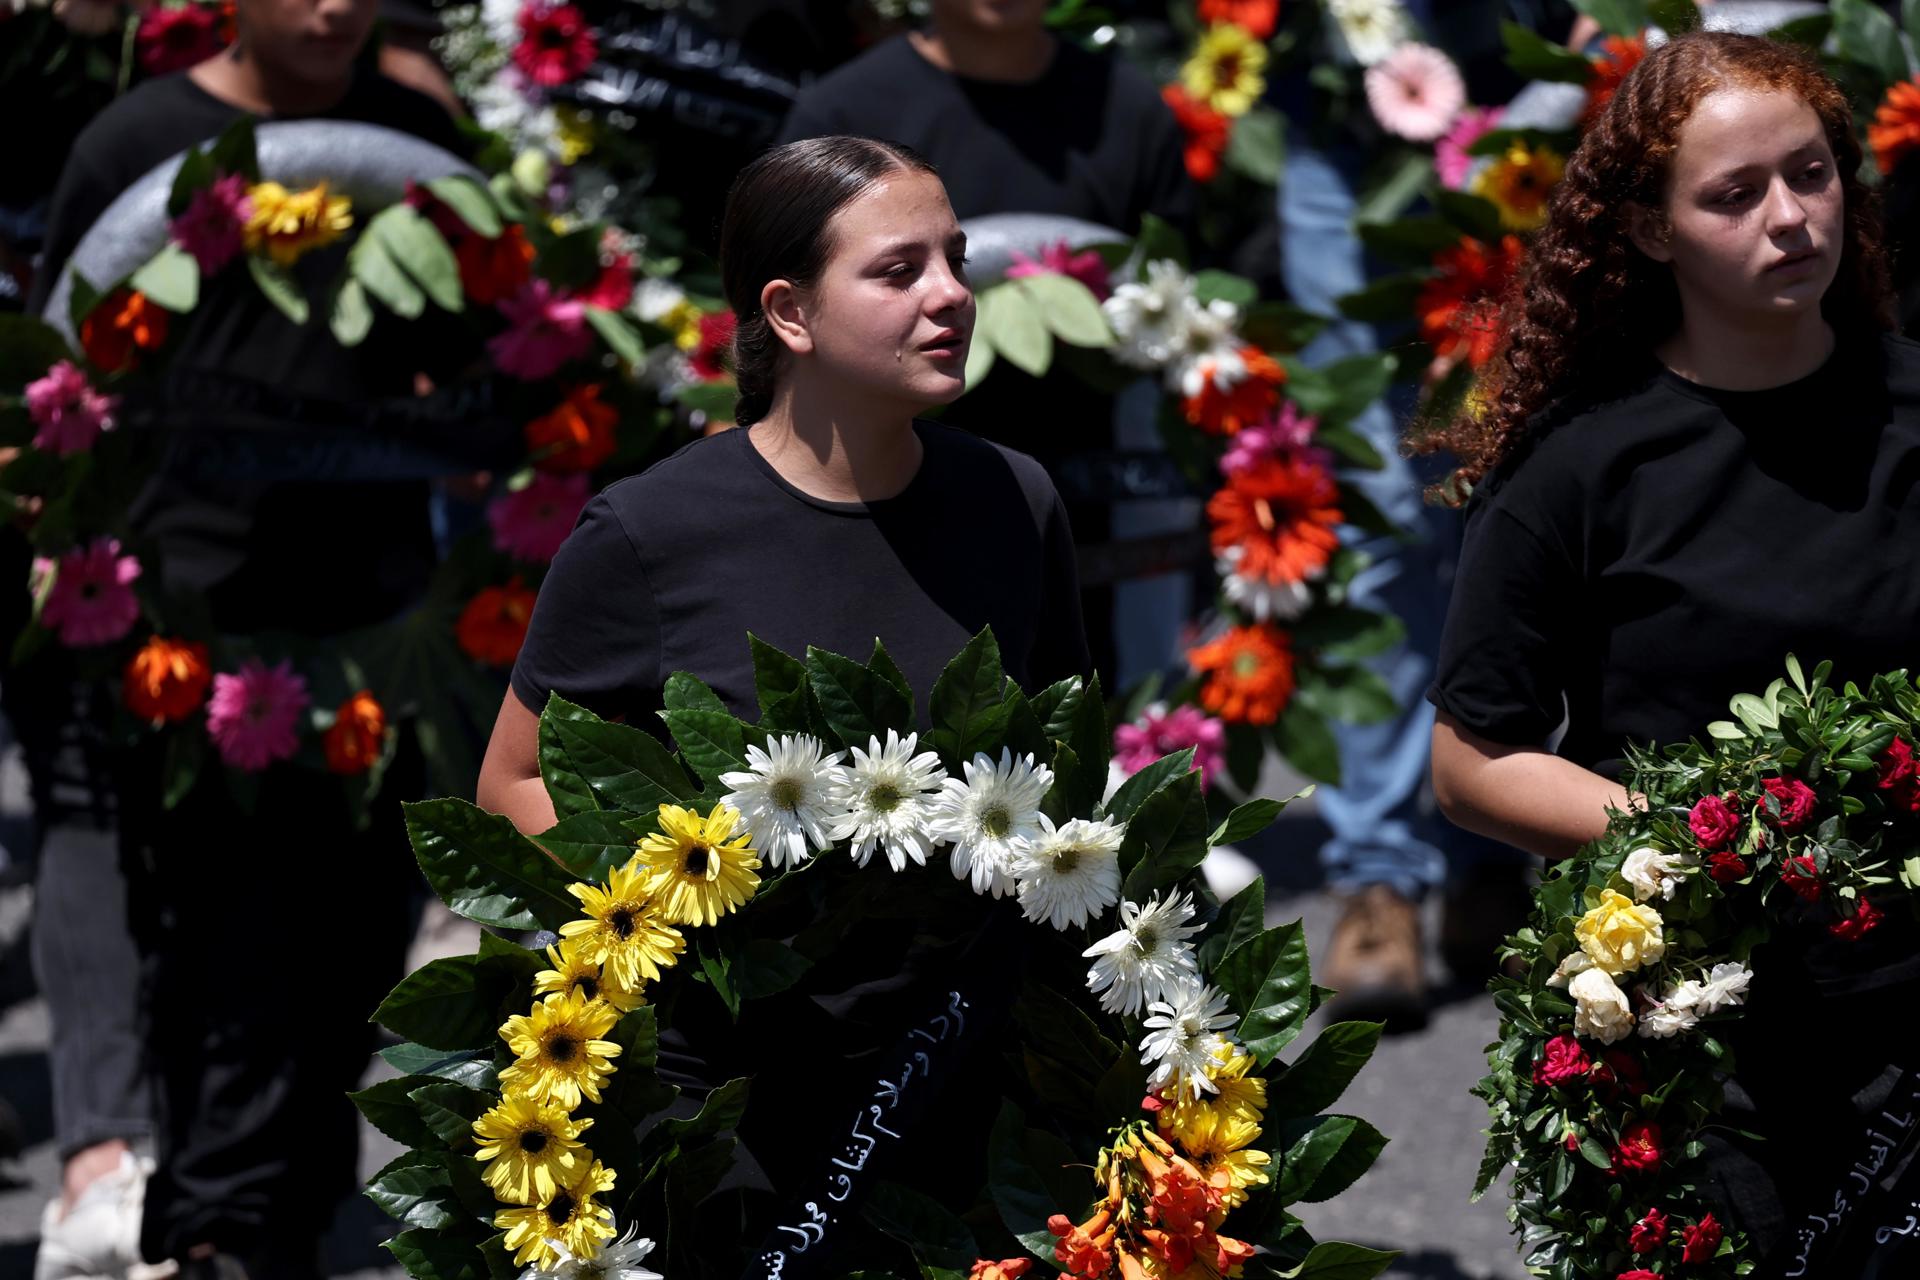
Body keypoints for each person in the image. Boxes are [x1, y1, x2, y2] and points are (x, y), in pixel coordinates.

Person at [478, 135, 1089, 1276]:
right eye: (900, 270)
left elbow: (1062, 782)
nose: (955, 292)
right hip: (727, 1097)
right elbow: (512, 784)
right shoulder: (649, 534)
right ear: (790, 314)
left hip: (959, 1076)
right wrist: (690, 916)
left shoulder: (1016, 498)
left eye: (955, 259)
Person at [1424, 30, 1920, 1274]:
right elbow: (1475, 758)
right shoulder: (1580, 464)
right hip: (1698, 1043)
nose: (1791, 218)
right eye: (1735, 194)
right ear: (1649, 230)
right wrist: (1707, 836)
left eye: (1810, 175)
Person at [25, 0, 475, 1274]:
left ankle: (276, 1213)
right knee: (219, 967)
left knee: (349, 952)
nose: (334, 9)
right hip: (187, 636)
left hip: (377, 628)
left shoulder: (411, 137)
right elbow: (59, 383)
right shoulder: (138, 141)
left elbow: (486, 344)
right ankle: (219, 1230)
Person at [773, 0, 1194, 684]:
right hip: (890, 512)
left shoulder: (1128, 109)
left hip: (1094, 521)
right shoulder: (843, 114)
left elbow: (1179, 303)